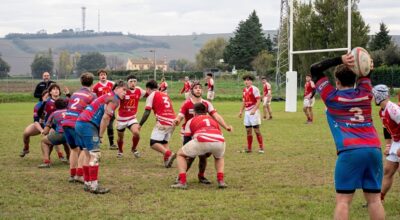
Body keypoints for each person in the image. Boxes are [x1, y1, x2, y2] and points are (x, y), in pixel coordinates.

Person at [310, 53, 384, 219]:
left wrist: (340, 60)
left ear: (336, 82)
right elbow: (366, 75)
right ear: (356, 78)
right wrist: (366, 66)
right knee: (374, 200)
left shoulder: (331, 97)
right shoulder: (366, 92)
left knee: (343, 201)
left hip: (350, 151)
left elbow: (315, 69)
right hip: (374, 149)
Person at [174, 82, 232, 184]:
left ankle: (201, 176)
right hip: (188, 132)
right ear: (191, 91)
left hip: (202, 132)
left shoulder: (206, 103)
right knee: (189, 157)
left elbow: (216, 116)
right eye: (196, 88)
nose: (198, 90)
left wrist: (226, 126)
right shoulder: (187, 103)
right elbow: (180, 115)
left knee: (203, 156)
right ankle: (181, 177)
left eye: (200, 88)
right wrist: (177, 120)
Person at [75, 80, 127, 194]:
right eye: (124, 90)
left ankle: (87, 183)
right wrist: (100, 136)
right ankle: (94, 186)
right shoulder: (114, 99)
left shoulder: (108, 96)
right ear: (116, 88)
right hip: (88, 125)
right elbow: (105, 118)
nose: (125, 93)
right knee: (95, 155)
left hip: (80, 123)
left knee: (87, 154)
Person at [171, 103, 227, 189]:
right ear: (206, 112)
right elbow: (219, 135)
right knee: (219, 157)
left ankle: (182, 181)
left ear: (194, 113)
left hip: (202, 139)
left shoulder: (190, 121)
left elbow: (186, 140)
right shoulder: (213, 120)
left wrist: (188, 153)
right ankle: (221, 180)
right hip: (219, 140)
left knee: (180, 154)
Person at [62, 72, 96, 183]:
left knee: (73, 149)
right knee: (83, 149)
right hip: (77, 124)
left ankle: (72, 175)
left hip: (66, 122)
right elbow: (94, 112)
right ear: (92, 83)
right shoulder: (92, 96)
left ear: (81, 82)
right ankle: (79, 175)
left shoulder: (74, 94)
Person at [138, 80, 176, 168]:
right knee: (164, 142)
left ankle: (169, 154)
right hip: (173, 121)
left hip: (163, 121)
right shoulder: (165, 94)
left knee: (153, 143)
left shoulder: (151, 95)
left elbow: (147, 112)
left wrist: (140, 125)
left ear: (147, 89)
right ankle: (167, 161)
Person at [372, 84, 400, 202]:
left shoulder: (393, 109)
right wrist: (388, 146)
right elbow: (386, 130)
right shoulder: (382, 111)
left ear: (379, 96)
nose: (372, 98)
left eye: (374, 95)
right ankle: (379, 199)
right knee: (388, 171)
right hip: (396, 142)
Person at [116, 75, 146, 158]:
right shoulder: (124, 90)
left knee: (136, 133)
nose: (133, 83)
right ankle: (120, 151)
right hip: (121, 119)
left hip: (132, 118)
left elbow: (149, 93)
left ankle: (134, 148)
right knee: (120, 137)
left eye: (134, 81)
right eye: (131, 82)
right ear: (127, 82)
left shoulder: (139, 90)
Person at [38, 99, 69, 168]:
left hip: (61, 133)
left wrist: (42, 131)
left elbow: (46, 131)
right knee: (67, 143)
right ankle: (70, 159)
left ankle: (46, 162)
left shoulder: (54, 114)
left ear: (55, 106)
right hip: (72, 133)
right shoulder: (70, 112)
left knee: (44, 141)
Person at [238, 75, 264, 153]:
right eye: (245, 80)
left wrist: (254, 109)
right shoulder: (244, 90)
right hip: (247, 113)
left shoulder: (255, 89)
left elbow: (259, 100)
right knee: (248, 131)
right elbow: (244, 102)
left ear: (251, 81)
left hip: (254, 113)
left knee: (256, 130)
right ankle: (249, 148)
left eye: (248, 80)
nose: (246, 81)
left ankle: (261, 148)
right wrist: (240, 111)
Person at [92, 69, 117, 150]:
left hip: (110, 108)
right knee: (97, 126)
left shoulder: (112, 84)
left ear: (106, 76)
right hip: (100, 109)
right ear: (99, 76)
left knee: (110, 125)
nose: (103, 76)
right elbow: (94, 98)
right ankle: (97, 142)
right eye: (101, 75)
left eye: (104, 74)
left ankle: (112, 144)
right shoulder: (96, 86)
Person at [20, 90, 49, 157]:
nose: (48, 98)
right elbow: (36, 121)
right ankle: (26, 148)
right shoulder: (38, 105)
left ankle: (62, 155)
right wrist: (41, 130)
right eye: (46, 96)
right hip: (39, 125)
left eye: (49, 96)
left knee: (53, 139)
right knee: (26, 133)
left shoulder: (54, 104)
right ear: (42, 97)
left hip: (50, 126)